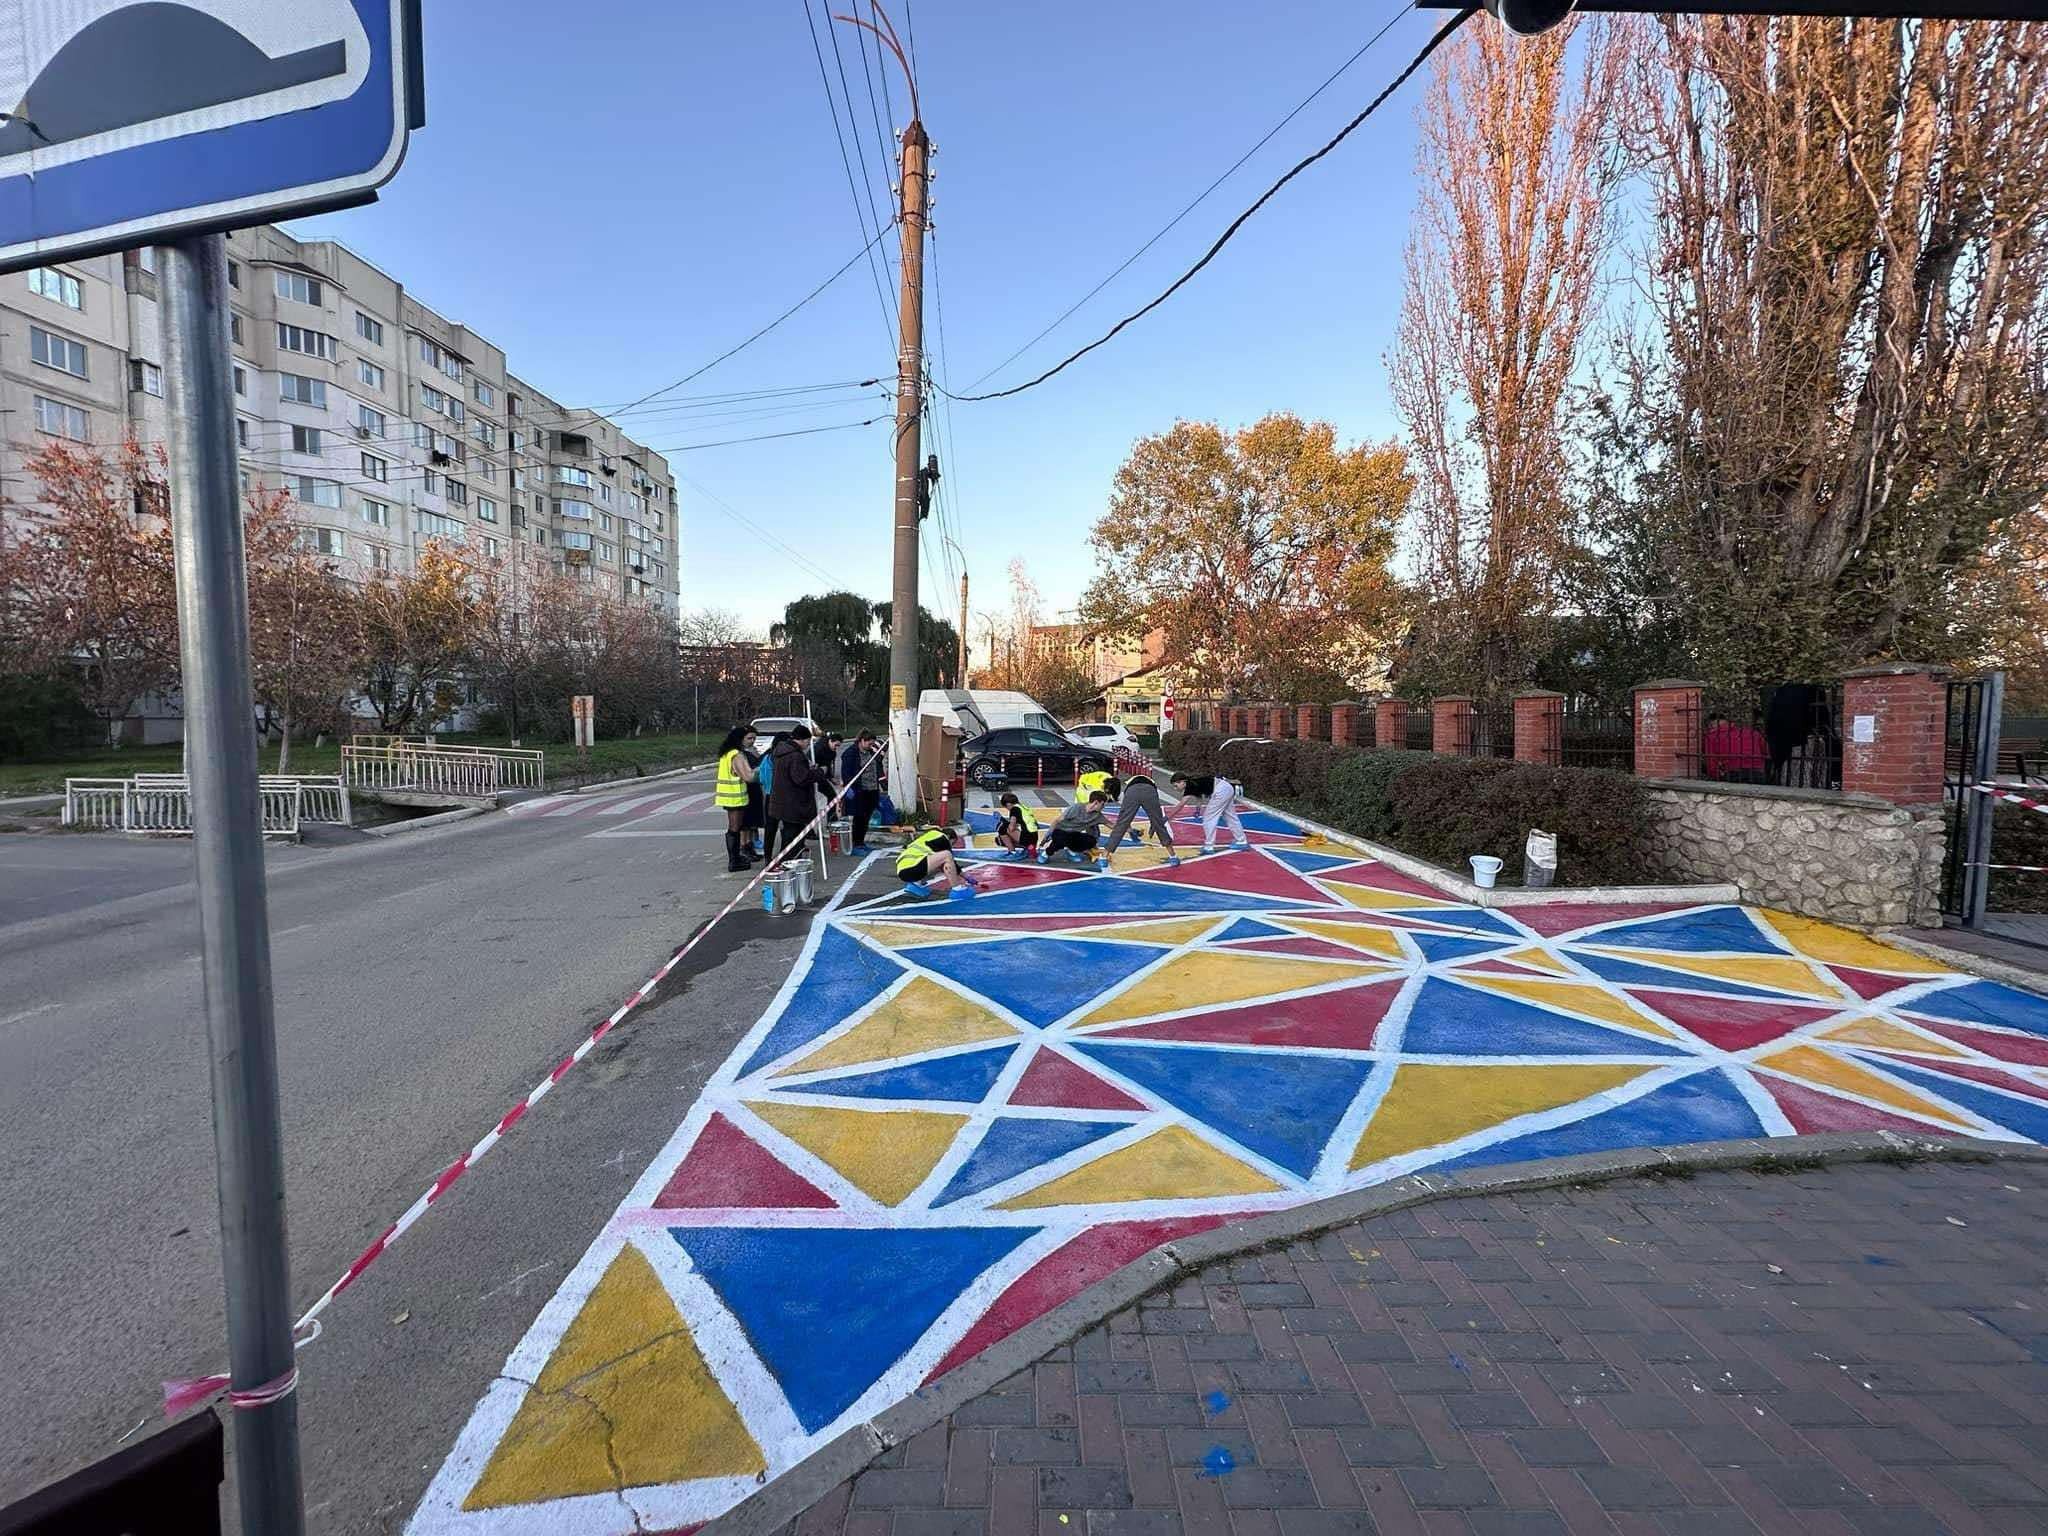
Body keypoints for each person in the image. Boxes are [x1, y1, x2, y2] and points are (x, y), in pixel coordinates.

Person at [1098, 765, 1179, 870]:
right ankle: (1173, 856)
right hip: (1150, 792)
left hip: (1132, 793)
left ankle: (1104, 856)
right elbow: (1156, 817)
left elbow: (1125, 820)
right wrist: (1154, 825)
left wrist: (1131, 831)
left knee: (1120, 825)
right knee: (1159, 824)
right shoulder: (1151, 783)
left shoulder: (1128, 786)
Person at [765, 725, 820, 861]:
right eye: (808, 741)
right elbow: (801, 778)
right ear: (802, 739)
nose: (808, 744)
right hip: (794, 802)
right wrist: (818, 773)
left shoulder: (780, 753)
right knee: (793, 836)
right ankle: (789, 861)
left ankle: (788, 859)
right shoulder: (795, 756)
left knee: (789, 833)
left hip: (782, 800)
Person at [714, 725, 760, 874]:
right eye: (749, 738)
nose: (752, 741)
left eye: (754, 738)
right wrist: (761, 769)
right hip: (736, 797)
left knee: (734, 828)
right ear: (740, 739)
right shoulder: (737, 755)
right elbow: (748, 776)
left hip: (728, 797)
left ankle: (736, 858)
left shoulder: (727, 754)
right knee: (735, 828)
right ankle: (734, 860)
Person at [1170, 772, 1249, 855]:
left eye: (1176, 785)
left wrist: (1168, 817)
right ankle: (1241, 841)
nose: (1175, 788)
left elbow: (1181, 805)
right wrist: (1198, 809)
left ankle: (1209, 846)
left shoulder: (1189, 787)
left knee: (1208, 818)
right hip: (1227, 788)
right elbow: (1199, 797)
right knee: (1230, 816)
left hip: (1220, 791)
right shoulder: (1193, 782)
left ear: (1182, 782)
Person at [895, 824, 981, 899]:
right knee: (947, 855)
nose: (951, 846)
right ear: (949, 837)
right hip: (913, 867)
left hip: (903, 871)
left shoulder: (929, 836)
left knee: (938, 862)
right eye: (952, 843)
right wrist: (966, 876)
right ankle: (958, 889)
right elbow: (952, 863)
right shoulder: (942, 837)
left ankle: (916, 884)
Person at [839, 730, 884, 852]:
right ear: (862, 741)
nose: (871, 746)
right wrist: (849, 787)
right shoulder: (850, 754)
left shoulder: (870, 752)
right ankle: (856, 843)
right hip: (859, 791)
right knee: (859, 818)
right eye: (869, 743)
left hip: (872, 789)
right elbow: (846, 773)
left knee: (866, 818)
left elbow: (876, 767)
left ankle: (861, 842)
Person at [1041, 790, 1110, 864]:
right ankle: (1046, 853)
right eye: (1102, 804)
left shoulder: (1097, 815)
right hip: (1060, 831)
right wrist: (1048, 835)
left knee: (1091, 841)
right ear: (1096, 803)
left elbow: (1111, 825)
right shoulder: (1076, 808)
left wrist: (1120, 823)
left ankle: (1071, 850)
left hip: (1073, 834)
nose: (1103, 807)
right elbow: (1057, 821)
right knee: (1061, 840)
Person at [1703, 713, 1769, 783]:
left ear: (1710, 725)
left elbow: (1711, 764)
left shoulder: (1711, 737)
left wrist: (1717, 776)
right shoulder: (1753, 732)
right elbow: (1767, 752)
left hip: (1732, 774)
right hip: (1757, 773)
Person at [994, 792, 1041, 858]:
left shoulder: (1014, 809)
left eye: (1006, 807)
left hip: (1027, 838)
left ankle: (1012, 852)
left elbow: (1011, 828)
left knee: (1001, 828)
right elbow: (1035, 825)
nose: (1007, 809)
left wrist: (1003, 821)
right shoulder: (1024, 807)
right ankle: (1029, 848)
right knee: (1014, 829)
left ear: (1008, 804)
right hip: (1034, 837)